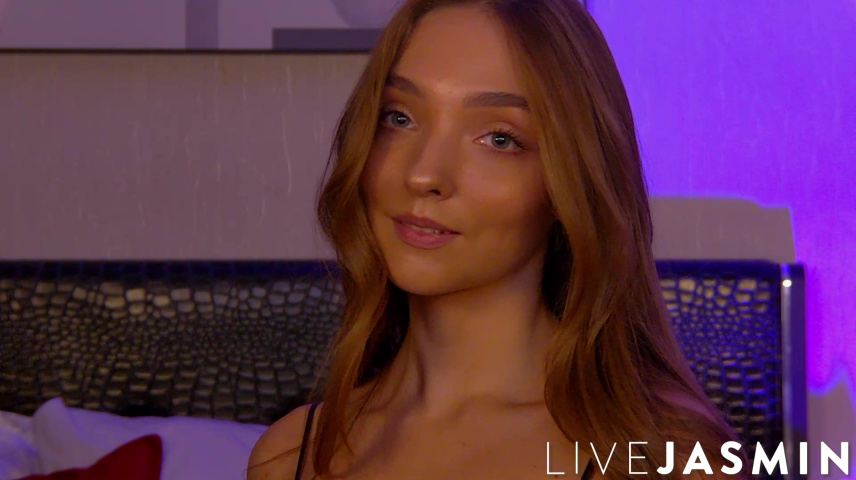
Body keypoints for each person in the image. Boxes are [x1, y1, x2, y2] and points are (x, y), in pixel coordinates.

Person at [248, 0, 746, 479]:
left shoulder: (664, 459)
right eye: (399, 117)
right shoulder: (291, 455)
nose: (423, 174)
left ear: (569, 184)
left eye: (499, 139)